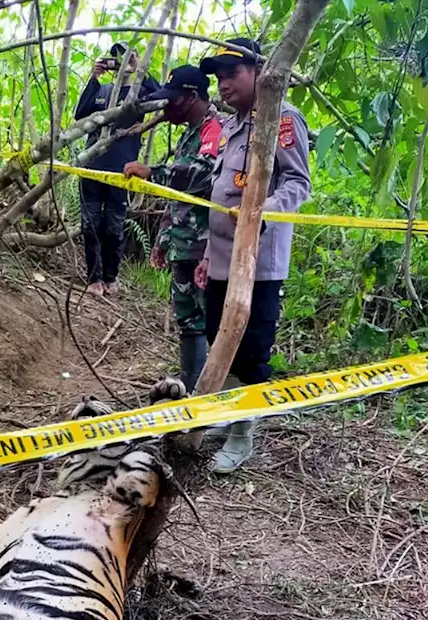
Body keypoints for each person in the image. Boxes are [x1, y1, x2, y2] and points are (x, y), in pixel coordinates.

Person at [196, 38, 312, 474]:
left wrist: (264, 213)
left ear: (259, 71)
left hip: (258, 261)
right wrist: (208, 254)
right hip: (223, 255)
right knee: (216, 337)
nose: (224, 84)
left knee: (251, 349)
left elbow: (298, 182)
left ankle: (244, 433)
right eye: (219, 77)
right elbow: (221, 189)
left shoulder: (281, 117)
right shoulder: (230, 125)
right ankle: (225, 415)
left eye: (232, 73)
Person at [121, 65, 224, 391]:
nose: (166, 108)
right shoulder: (189, 133)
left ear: (192, 96)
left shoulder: (214, 129)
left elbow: (203, 174)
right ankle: (190, 388)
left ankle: (212, 393)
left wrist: (152, 172)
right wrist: (163, 237)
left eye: (172, 100)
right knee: (188, 319)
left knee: (212, 320)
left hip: (207, 244)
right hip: (182, 241)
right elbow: (176, 197)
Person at [73, 42, 160, 295]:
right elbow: (80, 113)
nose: (120, 62)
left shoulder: (139, 94)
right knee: (90, 225)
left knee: (113, 227)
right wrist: (94, 77)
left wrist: (139, 70)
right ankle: (93, 279)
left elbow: (163, 97)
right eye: (116, 58)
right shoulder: (103, 90)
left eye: (125, 57)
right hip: (92, 167)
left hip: (123, 171)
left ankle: (111, 277)